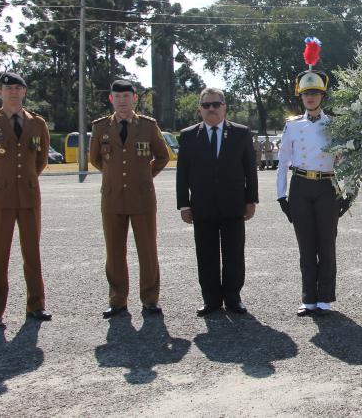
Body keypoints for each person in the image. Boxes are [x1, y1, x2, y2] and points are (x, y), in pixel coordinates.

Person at [0, 71, 52, 328]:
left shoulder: (36, 123)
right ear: (0, 92)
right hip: (1, 197)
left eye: (18, 88)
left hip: (28, 195)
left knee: (32, 252)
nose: (13, 92)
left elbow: (40, 159)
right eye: (8, 89)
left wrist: (26, 178)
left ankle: (36, 305)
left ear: (25, 92)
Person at [90, 79, 170, 319]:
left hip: (142, 198)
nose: (122, 101)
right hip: (113, 198)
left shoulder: (147, 126)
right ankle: (117, 300)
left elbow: (162, 156)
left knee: (147, 250)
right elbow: (95, 159)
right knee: (114, 252)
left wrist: (146, 176)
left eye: (127, 96)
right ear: (111, 99)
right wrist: (113, 176)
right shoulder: (101, 127)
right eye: (118, 97)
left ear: (134, 99)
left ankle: (150, 299)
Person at [177, 88, 258, 316]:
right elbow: (182, 173)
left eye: (215, 104)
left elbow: (249, 170)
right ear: (200, 109)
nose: (211, 109)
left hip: (234, 205)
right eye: (206, 105)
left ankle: (233, 298)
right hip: (202, 207)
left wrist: (251, 199)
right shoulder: (189, 135)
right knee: (206, 254)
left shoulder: (241, 133)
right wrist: (184, 204)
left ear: (225, 106)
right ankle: (211, 299)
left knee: (234, 254)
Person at [276, 37, 342, 317]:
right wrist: (282, 195)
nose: (310, 97)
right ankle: (308, 297)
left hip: (327, 185)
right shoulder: (293, 126)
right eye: (306, 94)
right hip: (301, 185)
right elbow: (282, 162)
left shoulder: (336, 124)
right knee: (305, 245)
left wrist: (347, 192)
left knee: (326, 243)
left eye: (315, 93)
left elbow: (346, 161)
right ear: (301, 97)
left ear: (322, 95)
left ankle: (325, 296)